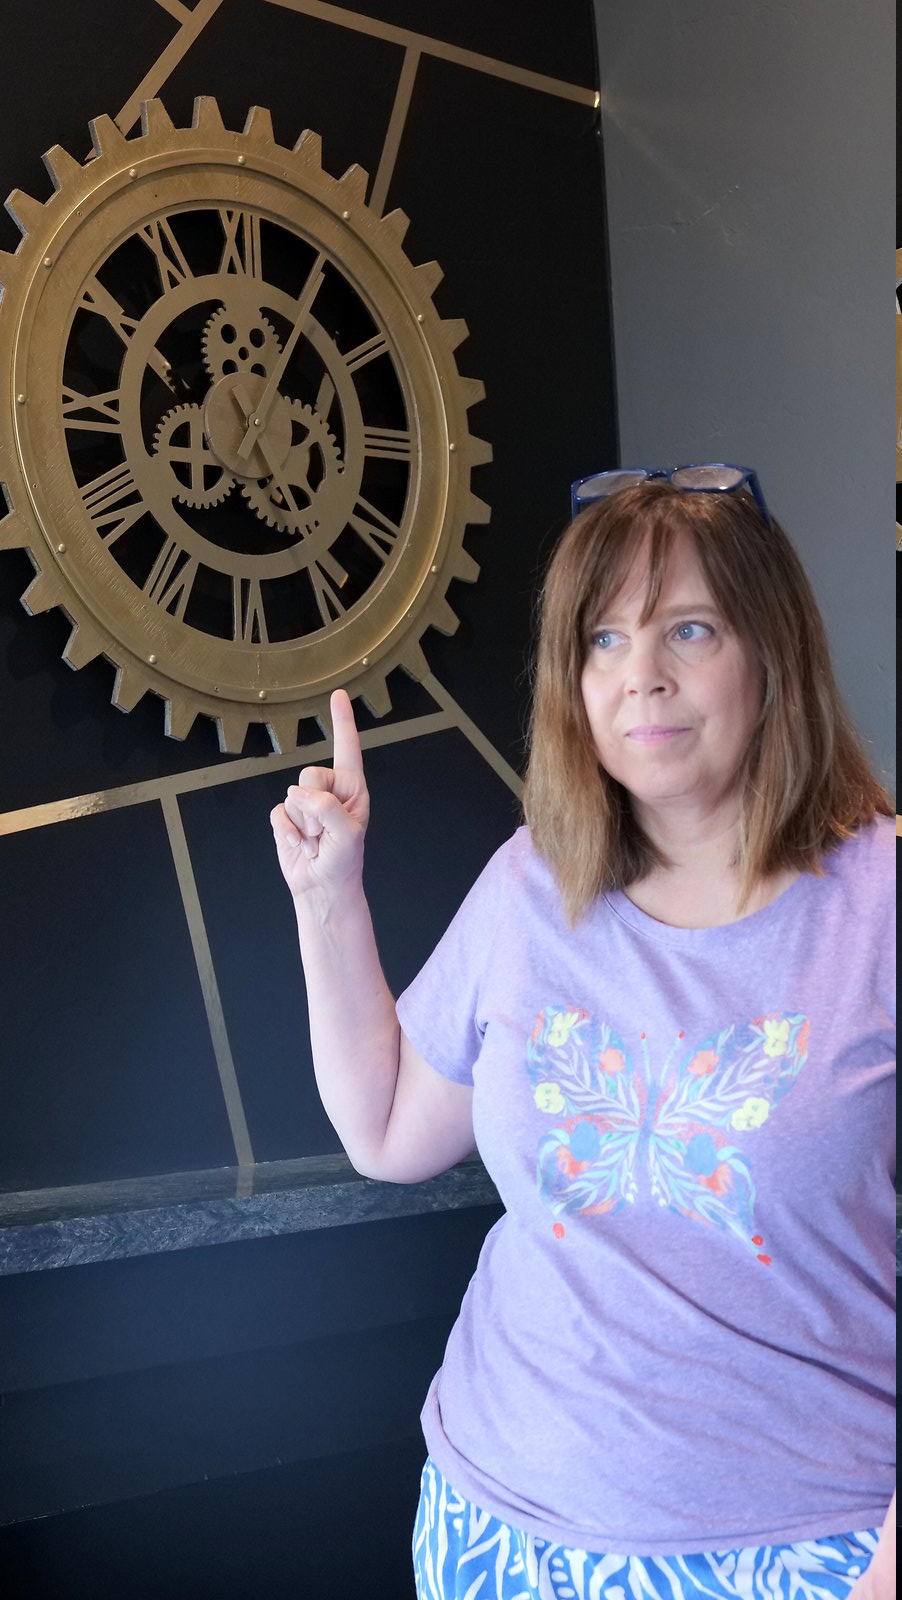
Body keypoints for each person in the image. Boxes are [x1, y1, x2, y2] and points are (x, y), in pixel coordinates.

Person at [271, 467, 895, 1600]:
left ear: (773, 652)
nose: (641, 674)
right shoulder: (533, 881)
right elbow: (387, 1130)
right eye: (602, 640)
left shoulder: (881, 902)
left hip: (806, 1550)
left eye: (688, 629)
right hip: (498, 1530)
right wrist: (329, 900)